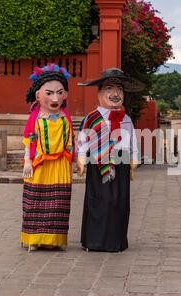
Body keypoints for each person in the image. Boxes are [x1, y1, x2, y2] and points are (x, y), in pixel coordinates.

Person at [77, 68, 144, 252]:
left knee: (119, 203)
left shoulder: (127, 119)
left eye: (119, 89)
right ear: (99, 94)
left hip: (121, 164)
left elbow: (132, 141)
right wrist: (81, 159)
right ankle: (94, 241)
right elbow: (83, 140)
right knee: (99, 201)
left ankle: (116, 241)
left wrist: (133, 161)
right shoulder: (91, 118)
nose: (115, 94)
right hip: (98, 164)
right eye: (109, 88)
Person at [21, 64, 75, 252]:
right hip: (39, 164)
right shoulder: (34, 118)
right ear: (38, 95)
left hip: (60, 164)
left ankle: (54, 239)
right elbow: (29, 139)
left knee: (59, 203)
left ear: (65, 94)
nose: (55, 98)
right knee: (35, 200)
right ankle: (33, 238)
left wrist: (72, 161)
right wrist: (27, 161)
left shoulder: (65, 117)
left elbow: (70, 141)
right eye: (49, 93)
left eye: (60, 93)